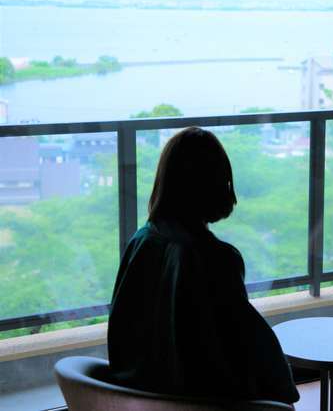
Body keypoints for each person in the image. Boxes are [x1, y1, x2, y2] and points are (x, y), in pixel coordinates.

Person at [108, 127, 299, 404]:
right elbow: (247, 346)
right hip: (205, 400)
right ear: (219, 183)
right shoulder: (215, 259)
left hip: (144, 396)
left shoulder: (142, 242)